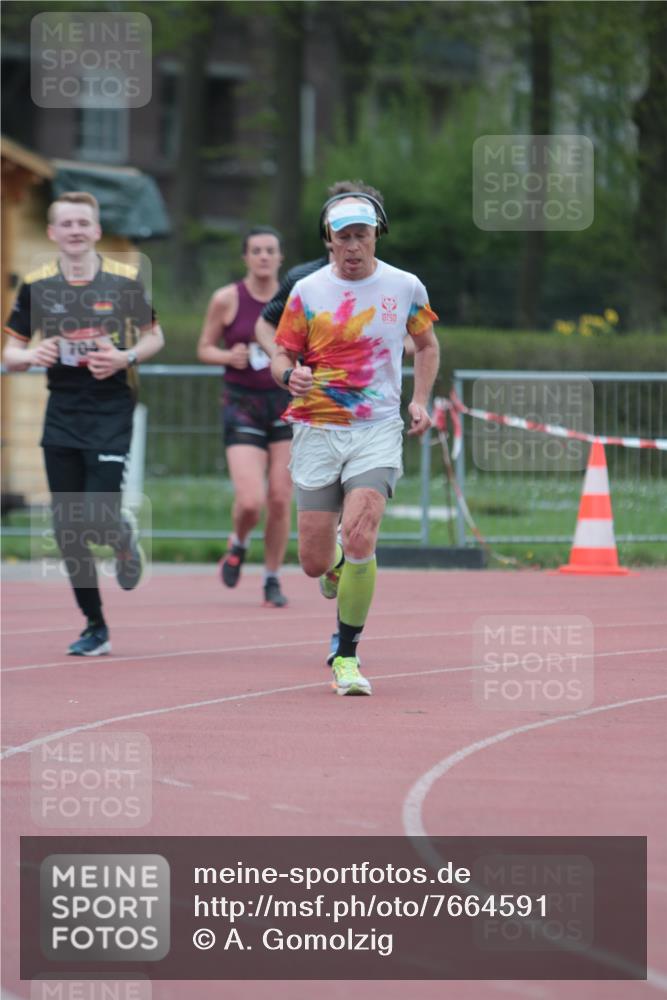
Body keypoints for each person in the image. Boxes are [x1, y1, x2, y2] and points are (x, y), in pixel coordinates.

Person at [270, 190, 440, 696]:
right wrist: (288, 377)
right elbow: (281, 353)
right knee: (314, 563)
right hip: (316, 429)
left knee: (362, 534)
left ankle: (347, 655)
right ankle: (336, 568)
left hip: (377, 429)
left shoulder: (405, 286)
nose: (352, 245)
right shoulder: (307, 291)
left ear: (376, 235)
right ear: (329, 239)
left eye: (361, 234)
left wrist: (420, 399)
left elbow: (427, 345)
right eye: (342, 235)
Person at [3, 191, 165, 655]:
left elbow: (156, 336)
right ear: (53, 233)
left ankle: (121, 536)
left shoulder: (124, 281)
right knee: (67, 527)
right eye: (66, 224)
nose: (75, 231)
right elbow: (9, 352)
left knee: (96, 517)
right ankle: (95, 625)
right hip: (62, 413)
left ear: (96, 231)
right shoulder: (37, 286)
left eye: (83, 223)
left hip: (111, 409)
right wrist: (31, 354)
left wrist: (124, 356)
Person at [197, 226, 292, 608]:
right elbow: (203, 347)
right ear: (246, 258)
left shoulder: (295, 300)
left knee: (281, 498)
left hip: (284, 403)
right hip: (242, 404)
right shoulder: (226, 299)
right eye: (257, 250)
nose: (264, 257)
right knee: (252, 501)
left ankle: (272, 577)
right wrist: (226, 356)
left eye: (271, 250)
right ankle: (238, 542)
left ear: (281, 257)